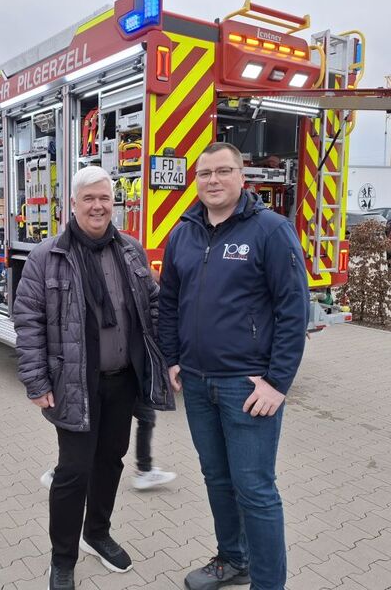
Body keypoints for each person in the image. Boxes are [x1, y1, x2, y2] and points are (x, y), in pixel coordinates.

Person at [13, 166, 174, 590]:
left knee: (111, 461)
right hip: (74, 382)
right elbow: (28, 321)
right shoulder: (47, 257)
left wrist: (166, 361)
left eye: (105, 198)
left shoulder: (132, 251)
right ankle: (62, 557)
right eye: (89, 199)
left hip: (123, 381)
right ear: (73, 204)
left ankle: (97, 534)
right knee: (73, 471)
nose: (99, 206)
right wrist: (36, 381)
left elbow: (153, 309)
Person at [158, 142, 309, 590]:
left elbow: (292, 310)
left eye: (223, 171)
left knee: (256, 491)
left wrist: (278, 383)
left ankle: (268, 583)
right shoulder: (183, 232)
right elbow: (168, 303)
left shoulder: (270, 230)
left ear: (242, 177)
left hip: (248, 388)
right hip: (199, 384)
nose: (213, 180)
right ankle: (232, 559)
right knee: (217, 479)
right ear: (196, 181)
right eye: (205, 173)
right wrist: (172, 359)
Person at [40, 401, 178, 491]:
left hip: (128, 373)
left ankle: (144, 469)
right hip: (119, 376)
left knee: (146, 418)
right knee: (99, 432)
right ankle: (58, 476)